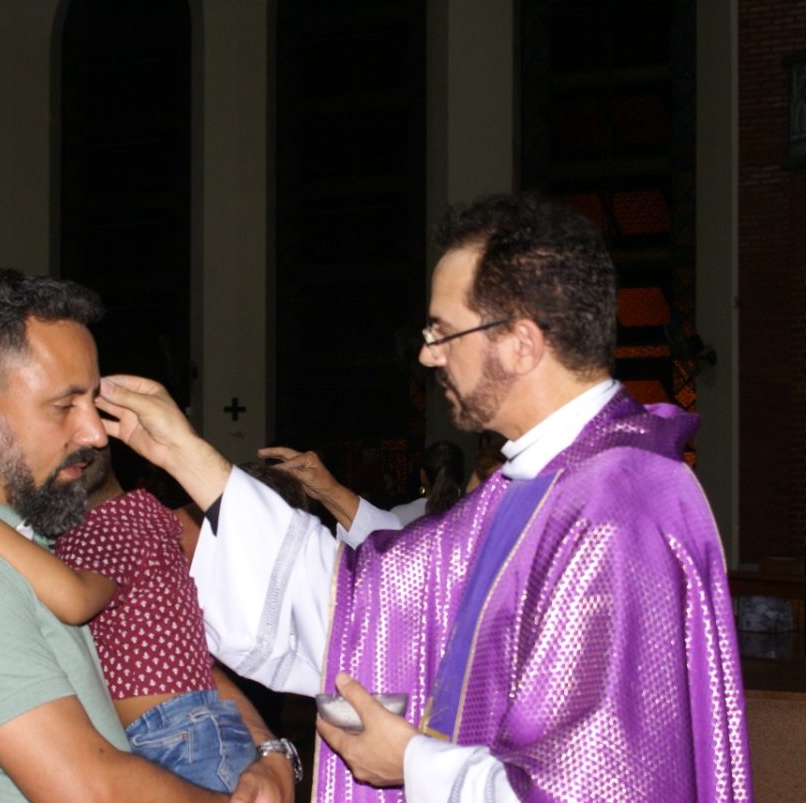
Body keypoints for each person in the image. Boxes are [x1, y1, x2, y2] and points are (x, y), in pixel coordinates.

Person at [94, 193, 750, 801]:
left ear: (521, 343)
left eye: (443, 333)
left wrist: (413, 761)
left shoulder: (621, 503)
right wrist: (186, 454)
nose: (429, 357)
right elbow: (365, 598)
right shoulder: (537, 485)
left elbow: (607, 782)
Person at [0, 269, 292, 803]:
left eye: (93, 403)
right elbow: (91, 790)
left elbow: (178, 653)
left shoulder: (14, 532)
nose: (96, 433)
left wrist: (269, 750)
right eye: (65, 406)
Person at [0, 446, 259, 793]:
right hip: (180, 730)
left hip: (176, 735)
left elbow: (76, 600)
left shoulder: (111, 525)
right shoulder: (128, 516)